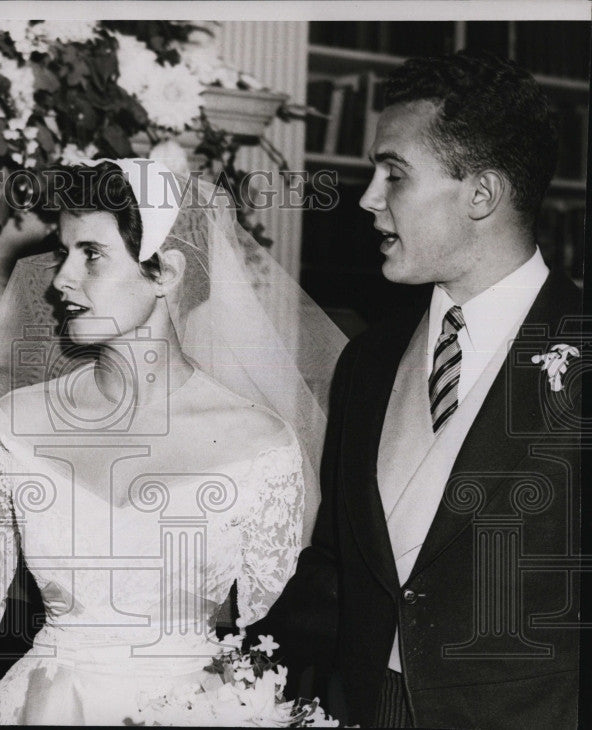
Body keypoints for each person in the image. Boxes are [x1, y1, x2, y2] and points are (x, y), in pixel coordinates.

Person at [0, 159, 347, 724]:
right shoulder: (13, 424)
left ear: (167, 272)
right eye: (63, 253)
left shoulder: (261, 441)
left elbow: (278, 632)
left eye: (92, 254)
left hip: (198, 710)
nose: (59, 279)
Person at [247, 51, 582, 728]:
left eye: (394, 174)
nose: (368, 197)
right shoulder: (369, 359)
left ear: (481, 195)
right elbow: (339, 568)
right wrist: (225, 672)